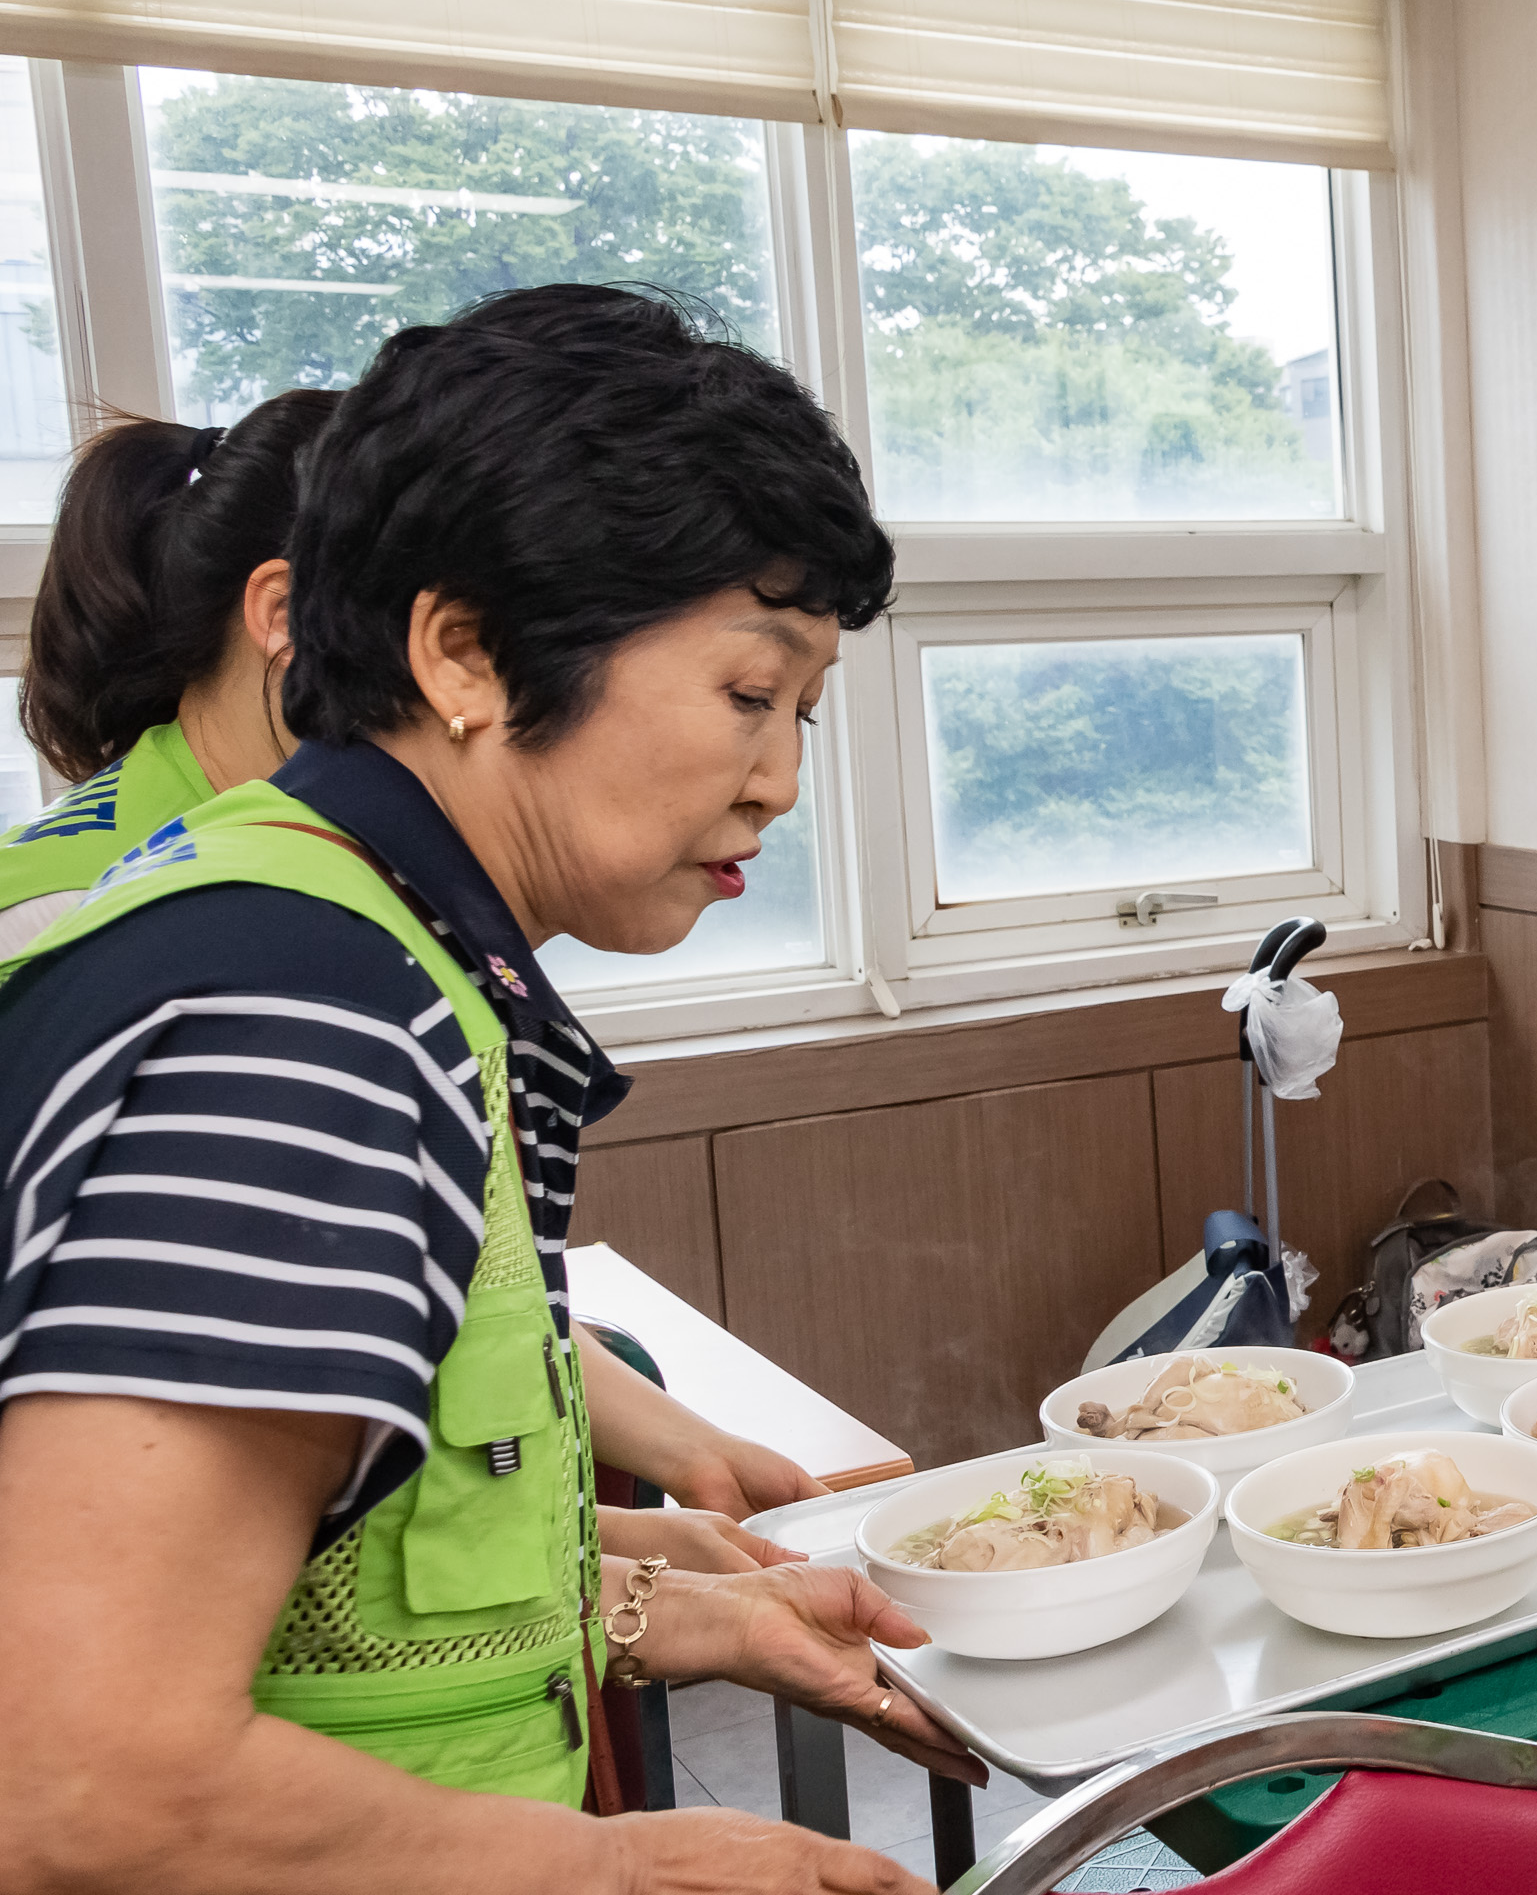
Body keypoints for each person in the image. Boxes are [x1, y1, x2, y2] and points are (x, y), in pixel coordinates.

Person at [0, 283, 977, 1891]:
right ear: (461, 651)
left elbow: (315, 1585)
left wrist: (672, 1609)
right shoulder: (300, 1028)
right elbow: (95, 1787)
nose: (781, 779)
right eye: (749, 691)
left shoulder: (365, 952)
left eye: (806, 710)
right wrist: (630, 1871)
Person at [4, 393, 825, 1575]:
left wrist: (626, 1556)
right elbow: (112, 1706)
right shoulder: (257, 978)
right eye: (748, 695)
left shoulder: (375, 908)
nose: (779, 783)